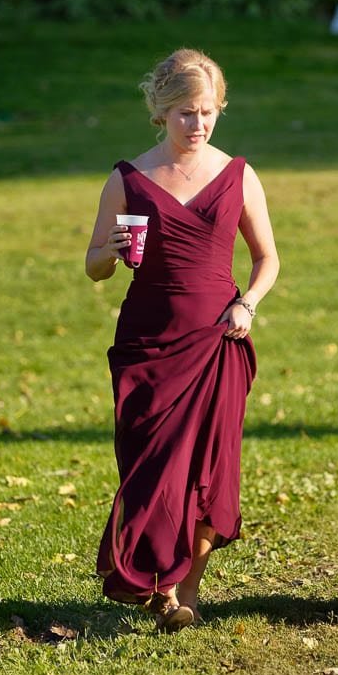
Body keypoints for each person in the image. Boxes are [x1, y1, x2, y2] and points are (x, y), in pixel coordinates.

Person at [85, 49, 279, 631]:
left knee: (207, 472)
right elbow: (94, 266)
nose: (198, 125)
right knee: (149, 468)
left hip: (218, 339)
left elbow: (268, 259)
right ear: (162, 112)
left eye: (208, 112)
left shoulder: (239, 175)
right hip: (147, 342)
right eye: (186, 114)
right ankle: (153, 573)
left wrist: (247, 303)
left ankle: (185, 590)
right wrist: (112, 253)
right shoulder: (128, 179)